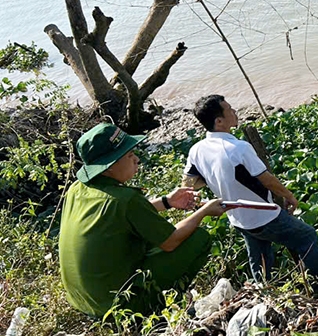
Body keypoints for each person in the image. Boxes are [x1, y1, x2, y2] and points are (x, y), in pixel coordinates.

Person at [59, 122, 227, 319]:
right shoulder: (125, 200)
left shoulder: (77, 189)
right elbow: (171, 241)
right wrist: (203, 212)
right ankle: (156, 306)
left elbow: (120, 216)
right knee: (198, 238)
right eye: (130, 156)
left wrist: (167, 202)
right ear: (110, 166)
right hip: (119, 308)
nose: (137, 159)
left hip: (83, 301)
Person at [183, 95, 318, 295]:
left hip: (237, 217)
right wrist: (289, 195)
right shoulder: (238, 148)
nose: (234, 111)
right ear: (219, 121)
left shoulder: (197, 150)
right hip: (263, 214)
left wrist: (214, 176)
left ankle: (265, 294)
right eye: (229, 109)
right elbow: (266, 179)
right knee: (307, 237)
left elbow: (189, 184)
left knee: (260, 258)